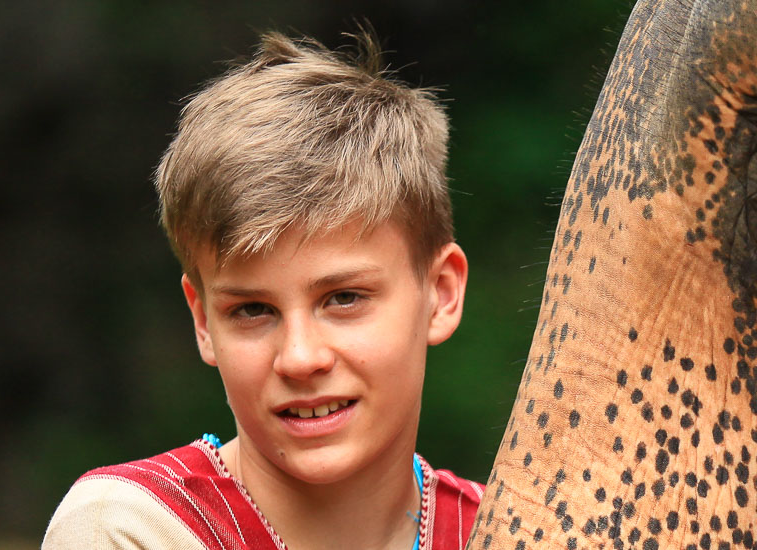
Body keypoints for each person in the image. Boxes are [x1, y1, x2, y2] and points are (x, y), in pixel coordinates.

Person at [43, 30, 482, 550]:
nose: (299, 358)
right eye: (252, 309)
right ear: (203, 320)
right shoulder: (128, 528)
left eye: (344, 298)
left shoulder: (525, 528)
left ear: (442, 293)